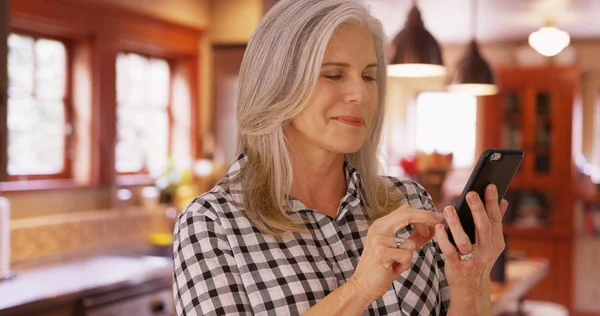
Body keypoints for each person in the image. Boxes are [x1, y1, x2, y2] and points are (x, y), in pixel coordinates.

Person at [173, 0, 509, 315]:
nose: (360, 94)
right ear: (276, 86)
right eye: (334, 74)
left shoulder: (407, 202)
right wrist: (359, 289)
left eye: (368, 76)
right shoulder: (211, 224)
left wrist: (471, 281)